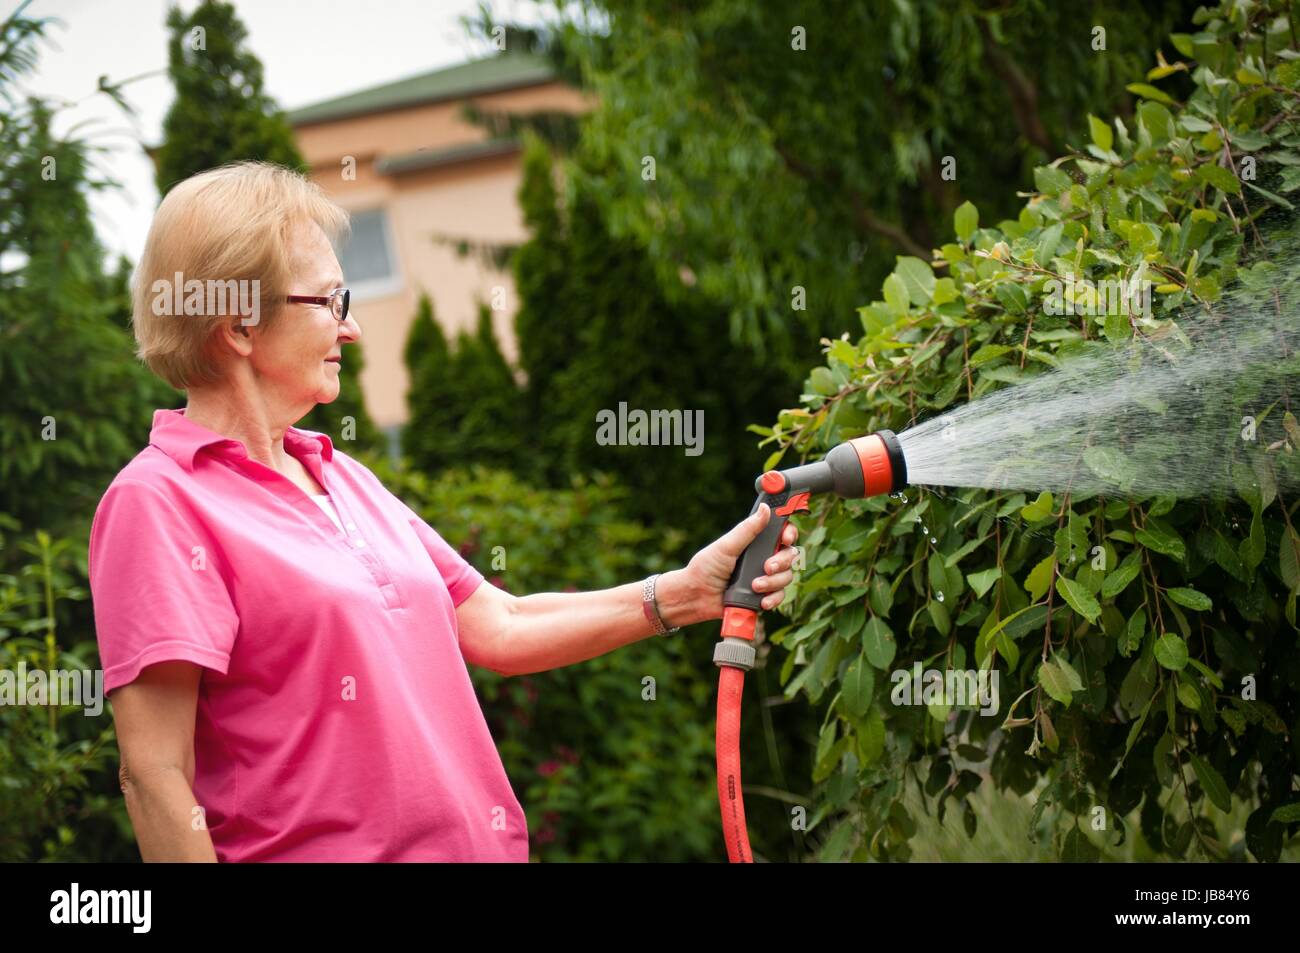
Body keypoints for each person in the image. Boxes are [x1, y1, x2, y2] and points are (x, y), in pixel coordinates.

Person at [89, 160, 800, 862]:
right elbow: (155, 774)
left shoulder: (341, 477)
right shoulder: (159, 502)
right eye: (330, 302)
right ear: (239, 325)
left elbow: (498, 623)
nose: (353, 329)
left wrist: (686, 590)